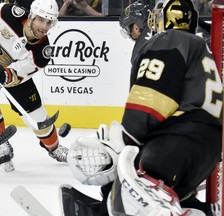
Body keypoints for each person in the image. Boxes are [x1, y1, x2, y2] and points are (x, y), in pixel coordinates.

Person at [66, 0, 222, 215]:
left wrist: (125, 138)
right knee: (167, 192)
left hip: (176, 140)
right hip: (208, 149)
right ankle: (197, 209)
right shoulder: (202, 47)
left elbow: (152, 100)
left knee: (127, 188)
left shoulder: (169, 40)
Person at [0, 0, 69, 172]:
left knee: (38, 116)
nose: (44, 27)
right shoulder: (9, 14)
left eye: (49, 22)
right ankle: (2, 144)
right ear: (31, 16)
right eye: (41, 19)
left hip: (9, 74)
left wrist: (3, 74)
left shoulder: (41, 52)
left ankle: (55, 148)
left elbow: (18, 74)